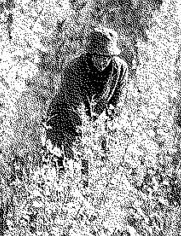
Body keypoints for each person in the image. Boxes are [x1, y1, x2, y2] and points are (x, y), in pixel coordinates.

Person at [45, 26, 127, 161]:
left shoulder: (120, 69)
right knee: (60, 164)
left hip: (88, 121)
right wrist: (87, 138)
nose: (102, 62)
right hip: (61, 119)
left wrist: (110, 135)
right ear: (90, 54)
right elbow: (75, 107)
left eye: (107, 57)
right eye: (98, 56)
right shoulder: (74, 68)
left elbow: (116, 105)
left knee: (88, 166)